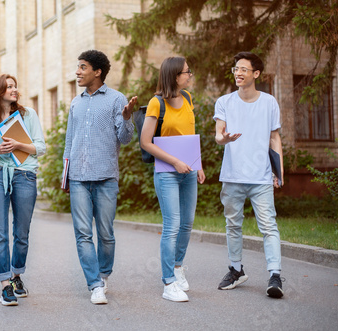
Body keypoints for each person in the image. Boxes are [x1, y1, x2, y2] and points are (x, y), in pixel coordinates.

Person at [62, 50, 137, 305]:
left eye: (83, 67)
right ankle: (94, 284)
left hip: (106, 178)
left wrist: (127, 119)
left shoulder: (117, 100)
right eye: (78, 66)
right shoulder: (76, 103)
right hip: (79, 179)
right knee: (83, 233)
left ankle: (103, 275)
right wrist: (66, 177)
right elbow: (68, 143)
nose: (78, 72)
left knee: (105, 233)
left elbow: (125, 139)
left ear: (98, 72)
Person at [214, 52, 284, 298]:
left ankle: (275, 275)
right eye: (236, 68)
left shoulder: (269, 102)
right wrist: (224, 138)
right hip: (232, 176)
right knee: (233, 224)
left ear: (256, 74)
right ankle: (236, 270)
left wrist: (279, 173)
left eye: (244, 69)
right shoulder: (224, 102)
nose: (238, 73)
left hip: (261, 177)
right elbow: (218, 135)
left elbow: (274, 138)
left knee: (268, 226)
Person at [140, 57, 206, 302]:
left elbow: (189, 135)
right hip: (167, 173)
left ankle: (178, 268)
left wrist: (197, 165)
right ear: (175, 75)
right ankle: (168, 283)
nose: (190, 75)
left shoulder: (188, 98)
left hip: (188, 172)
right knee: (172, 226)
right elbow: (146, 142)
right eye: (187, 72)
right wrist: (175, 162)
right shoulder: (156, 103)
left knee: (187, 223)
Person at [0, 74, 46, 306]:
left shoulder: (29, 115)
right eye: (9, 87)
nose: (14, 89)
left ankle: (17, 276)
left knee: (22, 232)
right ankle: (5, 285)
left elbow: (40, 147)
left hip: (25, 174)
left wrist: (18, 145)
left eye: (15, 86)